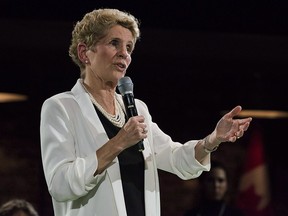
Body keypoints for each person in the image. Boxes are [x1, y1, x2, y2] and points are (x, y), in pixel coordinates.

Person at [40, 8, 252, 216]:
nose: (124, 53)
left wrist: (213, 139)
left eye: (129, 47)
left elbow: (175, 158)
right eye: (114, 43)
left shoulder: (136, 108)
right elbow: (60, 184)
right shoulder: (61, 108)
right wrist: (119, 142)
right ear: (84, 52)